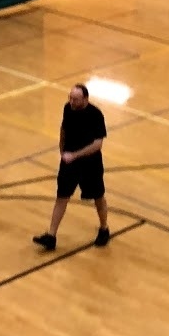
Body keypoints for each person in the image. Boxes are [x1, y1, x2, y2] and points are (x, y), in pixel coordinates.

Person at [32, 83, 109, 250]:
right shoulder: (68, 108)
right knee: (62, 196)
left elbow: (97, 144)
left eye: (76, 99)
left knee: (98, 197)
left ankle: (104, 228)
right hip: (69, 163)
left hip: (90, 164)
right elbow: (63, 128)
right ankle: (51, 236)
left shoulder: (96, 115)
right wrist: (61, 149)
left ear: (86, 99)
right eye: (71, 98)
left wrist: (74, 155)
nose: (72, 102)